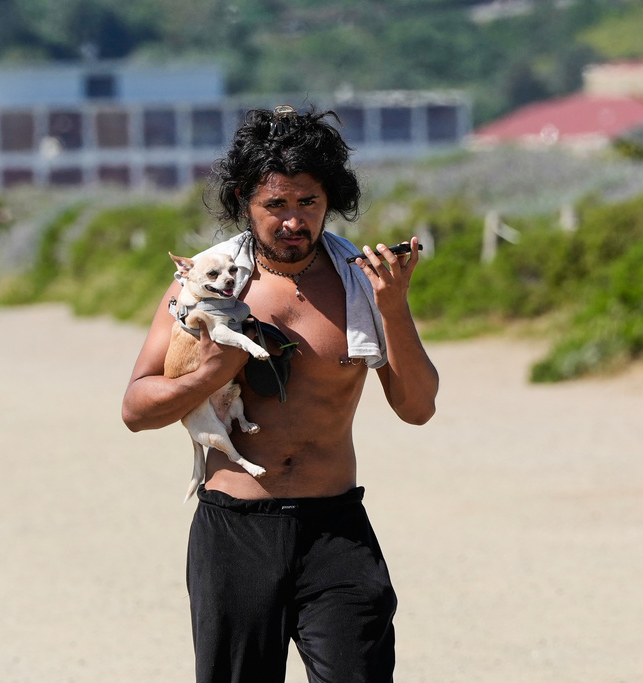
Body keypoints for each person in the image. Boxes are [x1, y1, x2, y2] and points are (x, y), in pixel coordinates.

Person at [121, 105, 439, 683]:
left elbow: (416, 408)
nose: (293, 222)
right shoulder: (207, 282)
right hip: (235, 531)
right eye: (276, 205)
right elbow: (136, 409)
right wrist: (212, 372)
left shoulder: (362, 284)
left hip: (335, 529)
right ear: (245, 199)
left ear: (329, 200)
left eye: (308, 203)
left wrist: (393, 307)